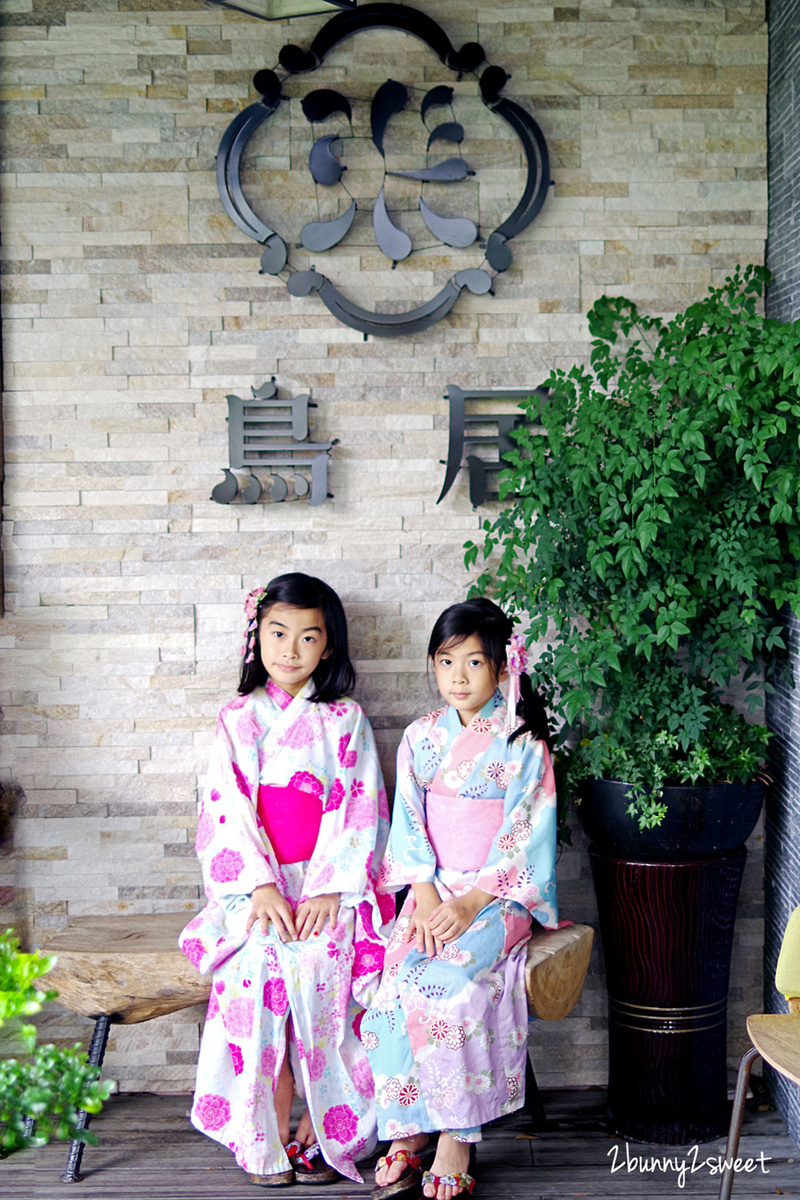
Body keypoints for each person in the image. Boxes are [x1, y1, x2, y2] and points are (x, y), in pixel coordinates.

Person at [179, 572, 393, 1188]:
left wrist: (329, 887)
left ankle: (327, 1129)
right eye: (278, 633)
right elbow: (225, 809)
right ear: (258, 636)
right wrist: (262, 888)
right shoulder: (239, 719)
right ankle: (266, 1124)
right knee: (260, 969)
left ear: (328, 647)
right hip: (259, 887)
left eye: (307, 637)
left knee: (328, 969)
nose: (291, 650)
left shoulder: (344, 720)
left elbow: (359, 804)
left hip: (329, 883)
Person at [362, 598, 558, 1200]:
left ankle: (456, 1135)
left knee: (449, 988)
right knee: (390, 989)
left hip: (498, 897)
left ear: (503, 669)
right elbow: (408, 825)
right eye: (447, 661)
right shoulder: (422, 738)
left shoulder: (523, 743)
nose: (459, 676)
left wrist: (474, 902)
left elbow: (527, 833)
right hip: (434, 888)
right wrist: (422, 897)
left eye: (475, 662)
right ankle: (409, 1129)